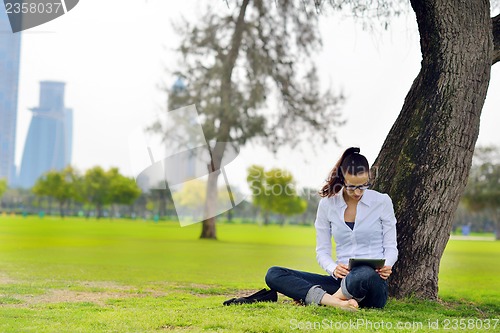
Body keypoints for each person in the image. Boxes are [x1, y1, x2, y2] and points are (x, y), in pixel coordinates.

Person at [265, 147, 398, 310]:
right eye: (351, 187)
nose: (357, 192)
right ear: (343, 179)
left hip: (372, 284)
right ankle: (339, 303)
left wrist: (387, 265)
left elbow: (391, 247)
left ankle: (323, 302)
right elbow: (322, 251)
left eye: (363, 186)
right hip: (339, 281)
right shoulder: (328, 205)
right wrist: (333, 268)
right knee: (274, 274)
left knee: (363, 273)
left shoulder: (382, 202)